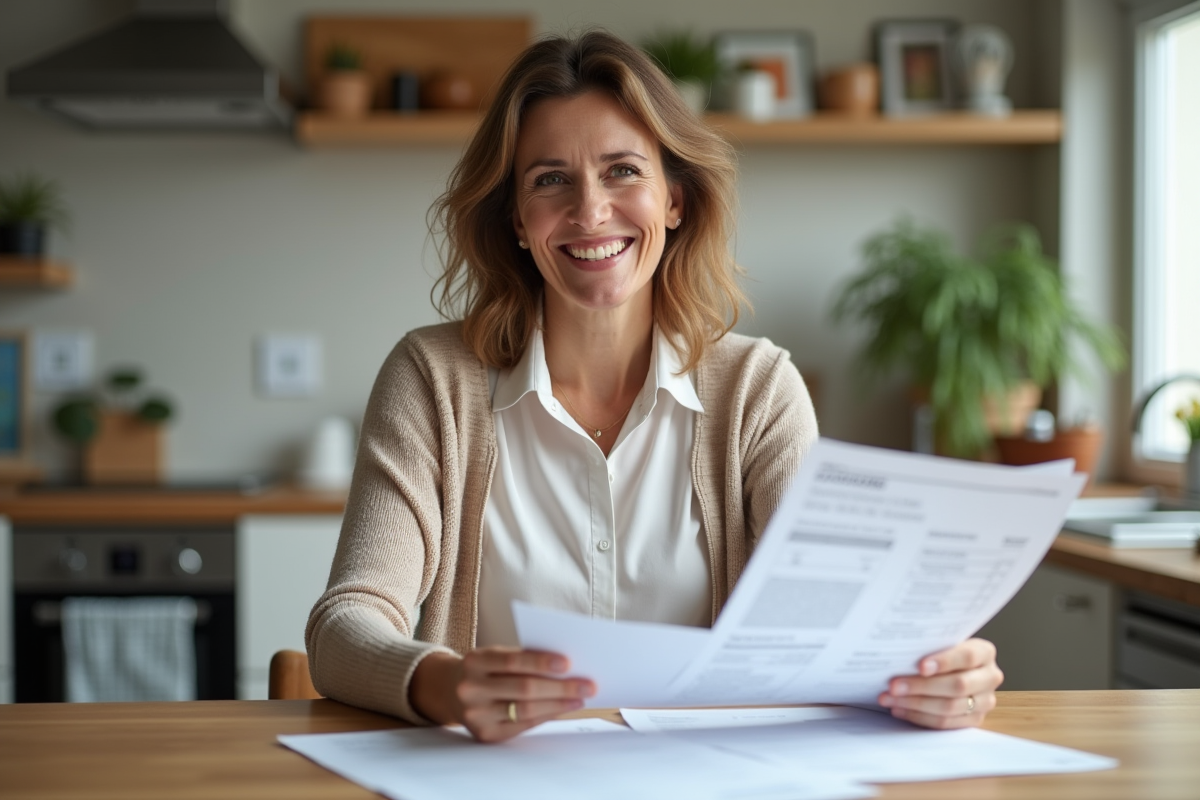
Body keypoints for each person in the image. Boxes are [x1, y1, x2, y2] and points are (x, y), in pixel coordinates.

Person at [306, 30, 1003, 743]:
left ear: (674, 198)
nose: (589, 211)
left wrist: (934, 673)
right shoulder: (431, 379)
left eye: (622, 171)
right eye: (549, 179)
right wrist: (444, 685)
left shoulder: (759, 390)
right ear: (516, 218)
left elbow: (832, 622)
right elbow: (345, 623)